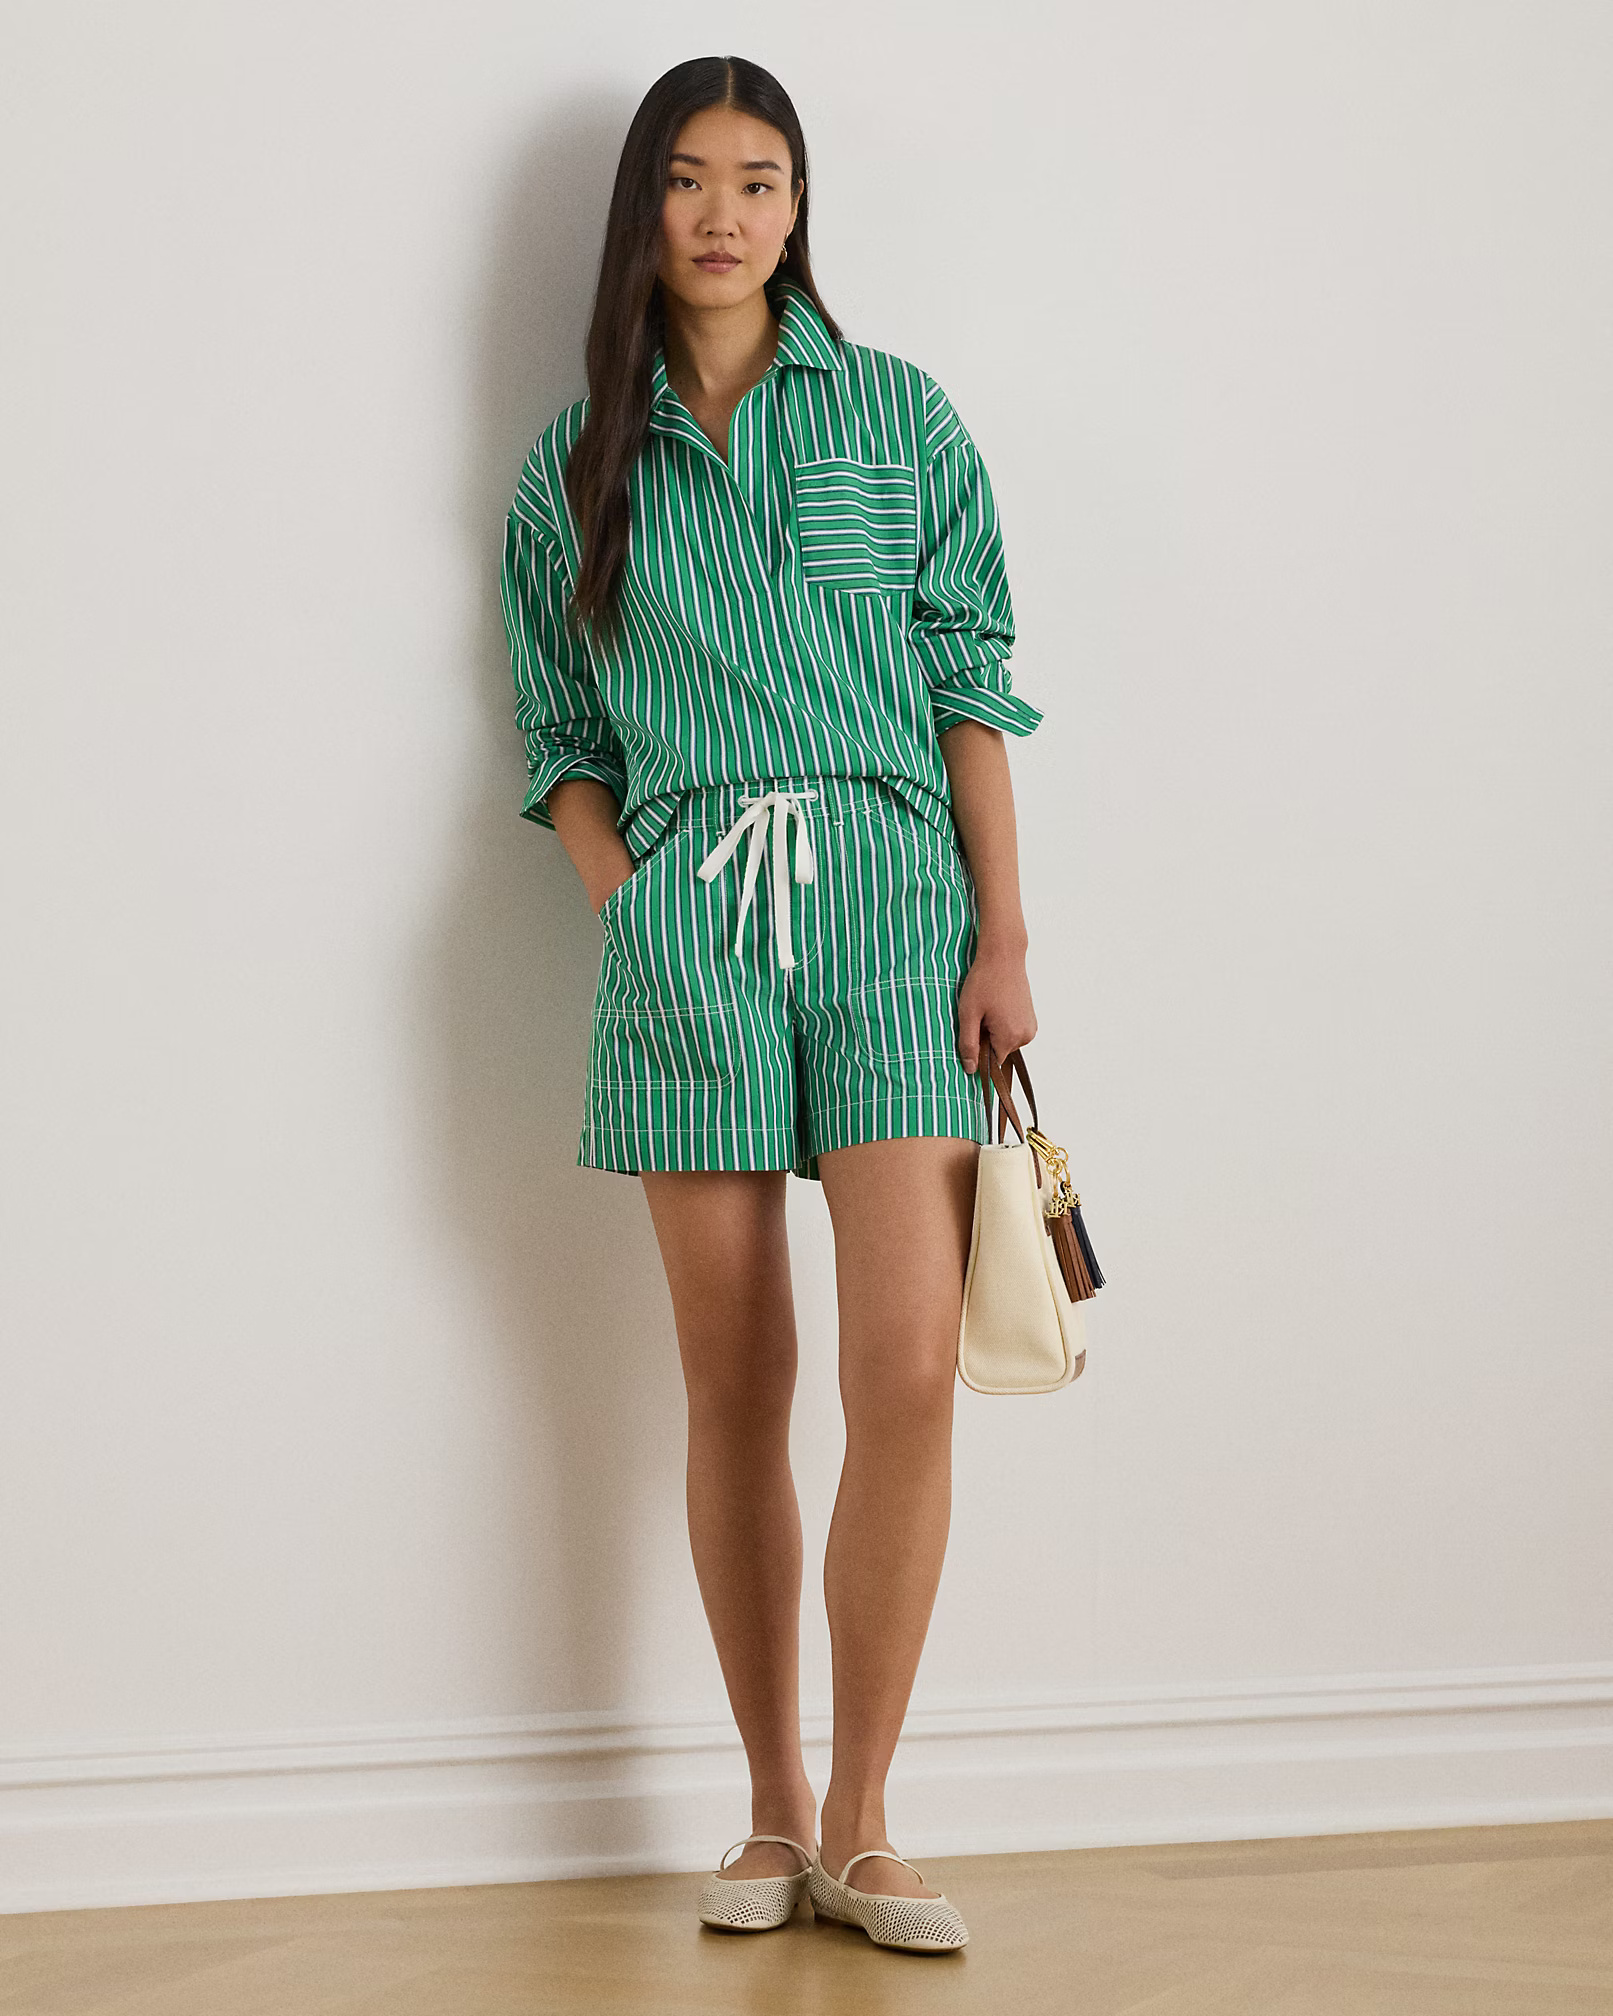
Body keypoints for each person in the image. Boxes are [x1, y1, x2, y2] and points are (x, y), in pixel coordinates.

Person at [500, 53, 1041, 1955]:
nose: (724, 212)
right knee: (736, 1380)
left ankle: (867, 1826)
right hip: (690, 932)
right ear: (642, 208)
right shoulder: (578, 462)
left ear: (799, 207)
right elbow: (557, 733)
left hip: (896, 907)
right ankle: (769, 1810)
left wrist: (1003, 935)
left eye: (760, 178)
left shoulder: (897, 416)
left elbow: (967, 682)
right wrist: (628, 902)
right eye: (687, 178)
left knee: (904, 1371)